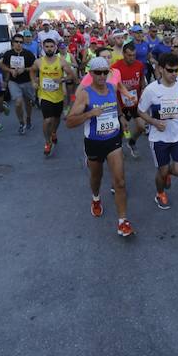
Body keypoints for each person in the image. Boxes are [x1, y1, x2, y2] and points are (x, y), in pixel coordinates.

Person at [65, 56, 133, 237]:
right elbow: (69, 122)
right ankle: (96, 198)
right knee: (97, 176)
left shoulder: (111, 87)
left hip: (113, 140)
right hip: (94, 142)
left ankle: (123, 222)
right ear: (91, 74)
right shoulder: (85, 94)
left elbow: (115, 106)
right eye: (98, 73)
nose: (102, 76)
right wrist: (89, 114)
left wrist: (121, 118)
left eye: (105, 72)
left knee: (120, 181)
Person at [138, 53, 178, 210]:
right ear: (160, 69)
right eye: (170, 70)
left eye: (176, 70)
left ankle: (168, 174)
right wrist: (154, 122)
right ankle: (160, 193)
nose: (174, 74)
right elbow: (140, 111)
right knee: (162, 170)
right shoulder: (151, 90)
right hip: (159, 138)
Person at [30, 38, 76, 156]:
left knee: (56, 118)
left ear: (55, 48)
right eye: (47, 46)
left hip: (58, 95)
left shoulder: (61, 61)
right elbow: (32, 71)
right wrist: (34, 82)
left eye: (51, 46)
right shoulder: (38, 62)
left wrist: (62, 79)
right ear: (43, 48)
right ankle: (47, 142)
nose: (49, 48)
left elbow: (71, 75)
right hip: (44, 95)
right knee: (47, 119)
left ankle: (54, 132)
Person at [112, 42, 147, 157]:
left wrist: (143, 90)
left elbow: (142, 79)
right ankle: (117, 146)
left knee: (142, 126)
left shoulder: (139, 65)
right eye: (129, 55)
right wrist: (121, 86)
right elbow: (111, 86)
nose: (132, 58)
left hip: (135, 101)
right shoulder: (115, 68)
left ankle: (132, 142)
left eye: (134, 55)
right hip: (122, 103)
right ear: (123, 54)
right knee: (122, 128)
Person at [2, 33, 37, 135]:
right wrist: (10, 70)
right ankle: (22, 123)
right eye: (16, 42)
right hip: (14, 82)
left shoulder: (28, 54)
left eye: (21, 42)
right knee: (18, 103)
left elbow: (34, 67)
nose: (19, 44)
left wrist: (24, 69)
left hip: (27, 82)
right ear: (13, 43)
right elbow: (3, 66)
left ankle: (29, 119)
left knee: (28, 103)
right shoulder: (8, 54)